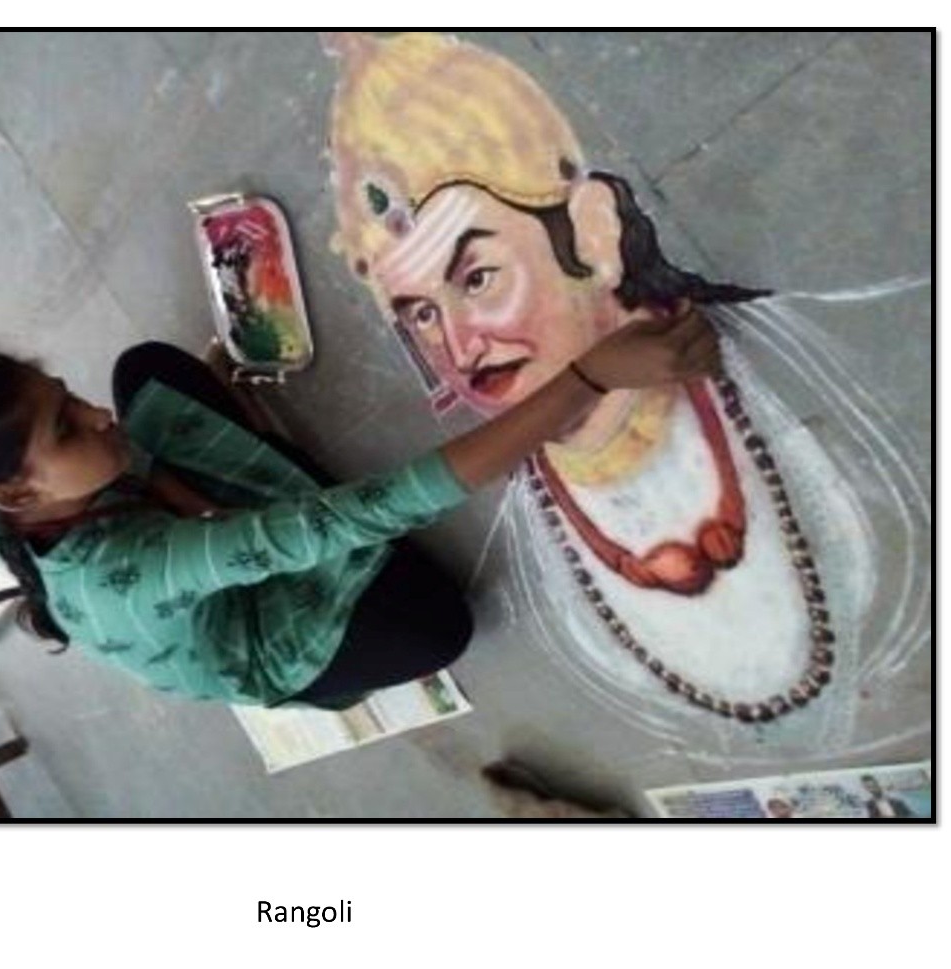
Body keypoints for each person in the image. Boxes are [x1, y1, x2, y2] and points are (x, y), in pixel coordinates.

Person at [322, 32, 835, 724]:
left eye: (478, 278)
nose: (462, 345)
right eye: (421, 314)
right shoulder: (525, 535)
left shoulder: (803, 357)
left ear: (593, 233)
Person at [0, 306, 717, 709]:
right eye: (66, 425)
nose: (95, 413)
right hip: (264, 642)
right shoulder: (134, 569)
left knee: (146, 368)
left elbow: (124, 450)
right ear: (18, 494)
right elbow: (370, 511)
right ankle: (322, 628)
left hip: (181, 543)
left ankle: (262, 484)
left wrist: (177, 488)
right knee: (435, 625)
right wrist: (589, 378)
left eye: (66, 395)